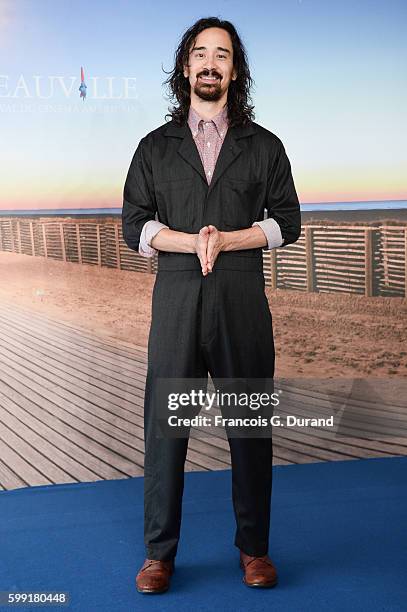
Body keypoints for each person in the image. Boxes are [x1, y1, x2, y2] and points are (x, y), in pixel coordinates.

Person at [122, 16, 301, 594]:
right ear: (184, 67)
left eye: (221, 55)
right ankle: (159, 555)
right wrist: (189, 240)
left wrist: (228, 238)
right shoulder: (154, 148)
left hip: (241, 300)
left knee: (248, 427)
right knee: (166, 429)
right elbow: (134, 226)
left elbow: (287, 223)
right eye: (200, 53)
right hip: (175, 299)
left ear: (234, 70)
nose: (209, 63)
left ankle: (254, 550)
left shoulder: (264, 146)